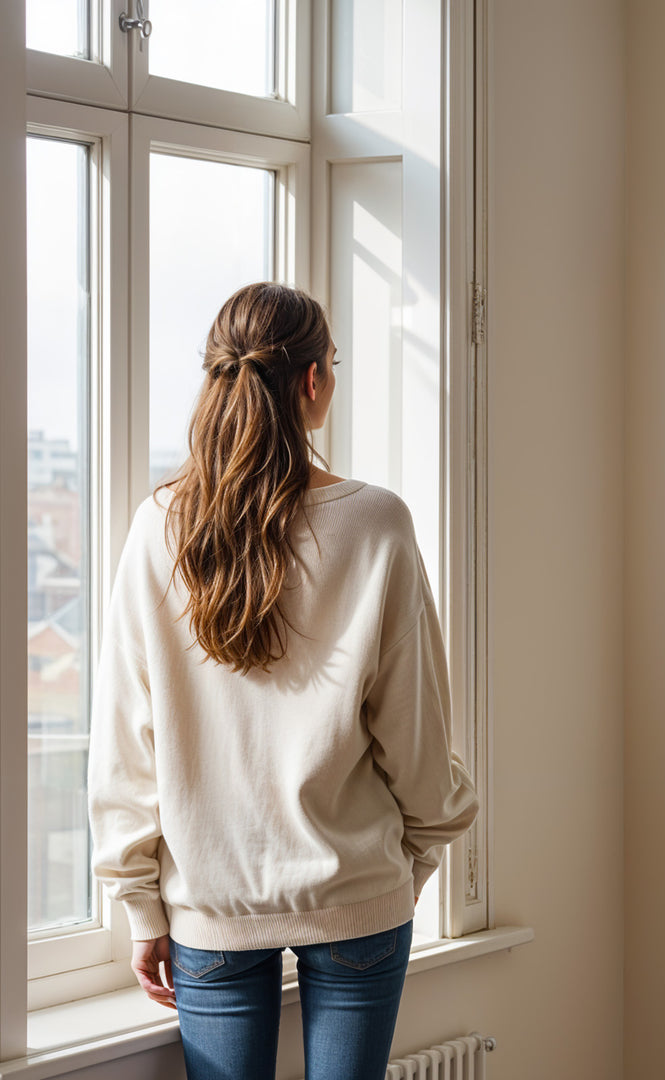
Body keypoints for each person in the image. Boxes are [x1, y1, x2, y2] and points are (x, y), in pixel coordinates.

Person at [87, 282, 479, 1080]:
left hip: (209, 904)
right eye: (332, 364)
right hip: (359, 891)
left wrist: (140, 905)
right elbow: (416, 724)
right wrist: (423, 853)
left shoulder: (159, 525)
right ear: (311, 382)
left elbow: (126, 733)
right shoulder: (375, 523)